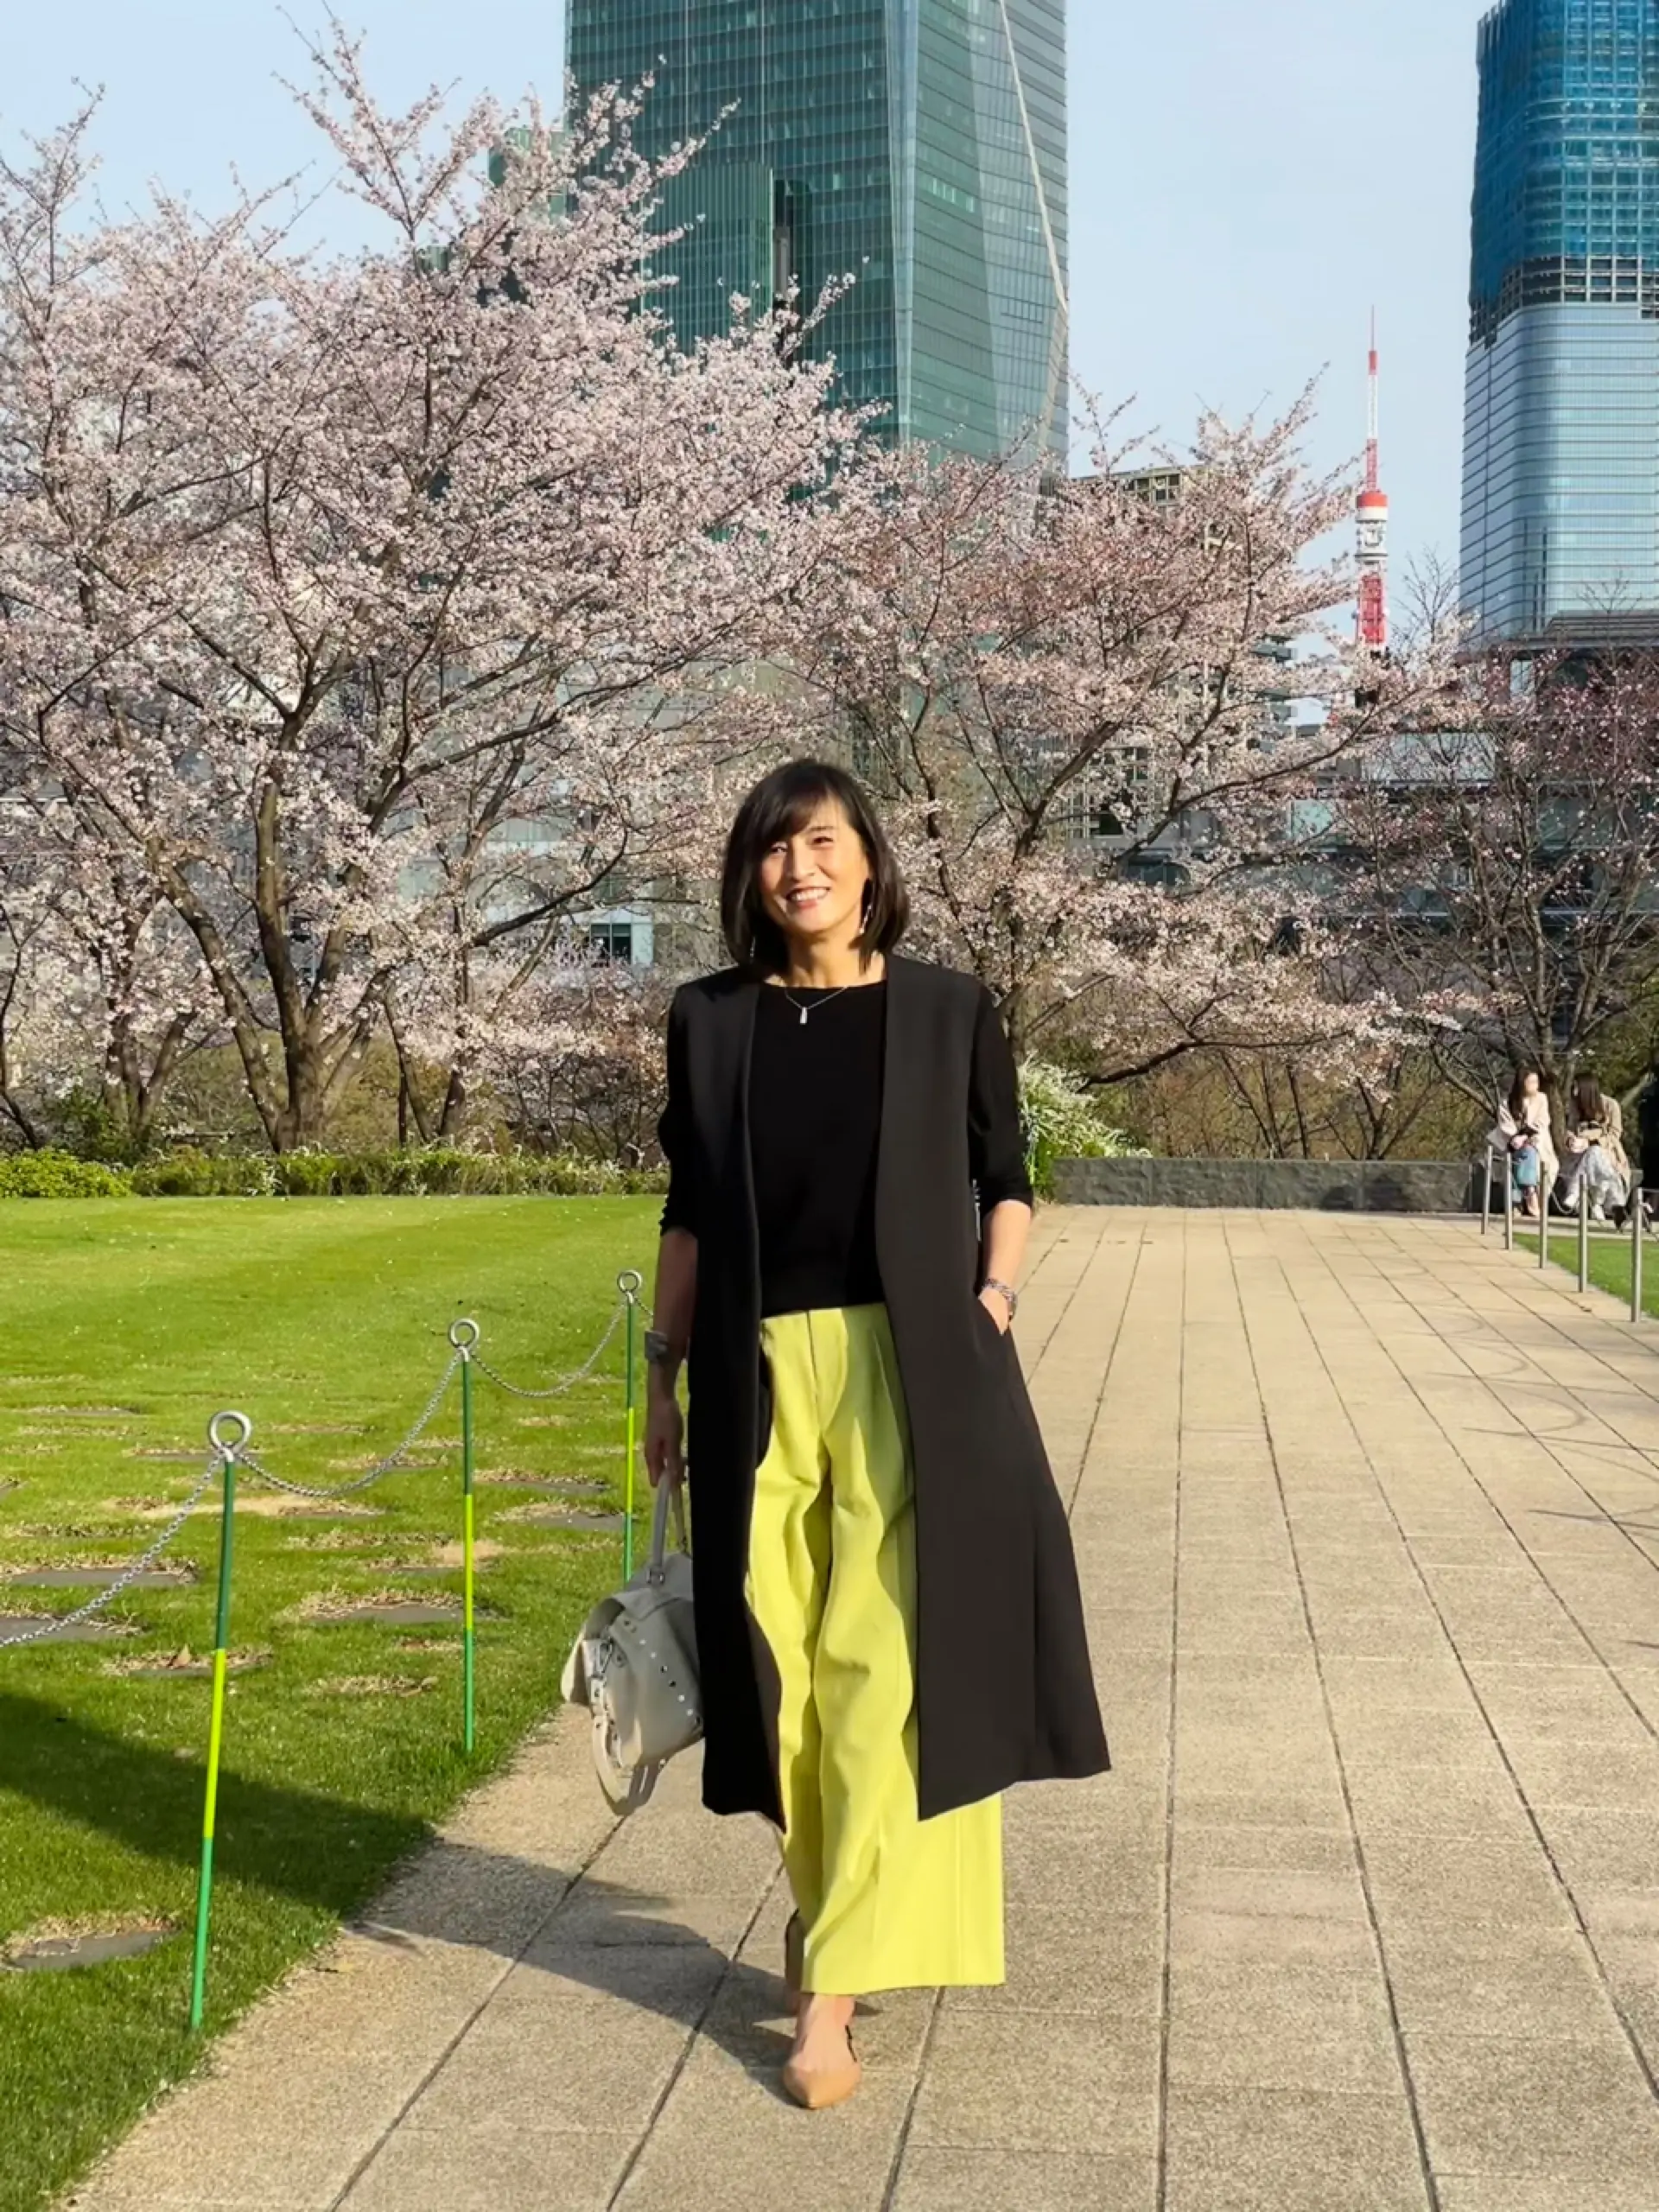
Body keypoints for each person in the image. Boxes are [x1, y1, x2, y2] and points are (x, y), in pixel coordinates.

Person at [645, 760, 1109, 2113]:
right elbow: (685, 1209)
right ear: (751, 875)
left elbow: (1006, 1179)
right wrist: (662, 1377)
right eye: (777, 850)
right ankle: (831, 1903)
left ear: (868, 861)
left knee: (870, 1673)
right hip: (752, 1375)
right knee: (770, 1666)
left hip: (909, 1373)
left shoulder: (949, 1010)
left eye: (825, 843)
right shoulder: (709, 1021)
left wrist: (992, 1298)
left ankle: (828, 1993)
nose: (803, 869)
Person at [1560, 1073, 1630, 1224]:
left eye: (1576, 1087)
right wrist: (1572, 1140)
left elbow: (1614, 1134)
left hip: (1609, 1157)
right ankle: (1606, 1203)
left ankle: (1574, 1193)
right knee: (1592, 1155)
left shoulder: (1610, 1105)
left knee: (1594, 1151)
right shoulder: (1575, 1107)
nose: (1574, 1091)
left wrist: (1591, 1142)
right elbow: (1569, 1130)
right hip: (1579, 1158)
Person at [1497, 1066, 1557, 1221]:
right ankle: (1529, 1193)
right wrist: (1516, 1137)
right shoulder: (1507, 1102)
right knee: (1520, 1158)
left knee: (1529, 1154)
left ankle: (1525, 1194)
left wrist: (1525, 1136)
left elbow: (1543, 1121)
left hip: (1537, 1142)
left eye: (1536, 1081)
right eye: (1531, 1081)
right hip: (1514, 1143)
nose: (1534, 1085)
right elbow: (1506, 1125)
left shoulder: (1541, 1098)